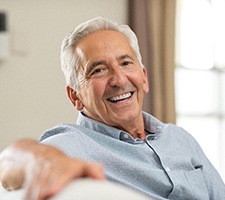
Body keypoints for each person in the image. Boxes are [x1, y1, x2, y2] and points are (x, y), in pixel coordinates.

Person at [0, 16, 225, 200]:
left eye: (126, 63)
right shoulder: (74, 144)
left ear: (144, 78)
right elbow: (8, 163)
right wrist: (39, 159)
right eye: (98, 70)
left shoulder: (180, 138)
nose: (118, 79)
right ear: (75, 96)